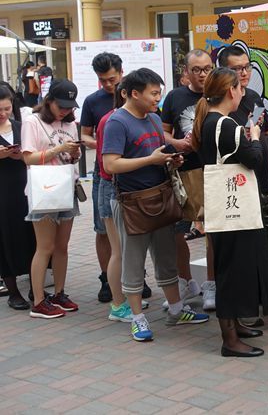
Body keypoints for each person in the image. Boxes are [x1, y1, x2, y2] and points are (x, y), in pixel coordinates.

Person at [103, 68, 209, 342]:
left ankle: (176, 309)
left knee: (165, 257)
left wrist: (169, 160)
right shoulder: (118, 122)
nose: (157, 98)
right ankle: (137, 318)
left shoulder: (152, 118)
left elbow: (158, 152)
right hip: (131, 202)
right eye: (153, 93)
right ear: (134, 93)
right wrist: (150, 160)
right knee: (134, 261)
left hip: (160, 197)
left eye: (158, 92)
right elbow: (110, 164)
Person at [194, 67, 268, 357]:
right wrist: (253, 135)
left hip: (229, 207)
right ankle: (230, 340)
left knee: (233, 268)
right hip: (233, 212)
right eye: (240, 88)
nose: (243, 92)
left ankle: (237, 326)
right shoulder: (224, 125)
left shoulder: (213, 121)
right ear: (231, 91)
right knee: (232, 272)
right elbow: (253, 158)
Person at [78, 52, 141, 303]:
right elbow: (84, 135)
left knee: (134, 228)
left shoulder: (134, 95)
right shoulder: (93, 102)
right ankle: (107, 278)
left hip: (131, 174)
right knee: (103, 229)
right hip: (104, 173)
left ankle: (136, 277)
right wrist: (105, 145)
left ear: (121, 73)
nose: (107, 84)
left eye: (111, 79)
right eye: (102, 80)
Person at [21, 79, 82, 319]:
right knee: (44, 246)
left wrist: (74, 153)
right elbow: (28, 158)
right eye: (61, 106)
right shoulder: (32, 122)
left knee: (62, 246)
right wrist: (58, 150)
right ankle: (38, 300)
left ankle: (59, 293)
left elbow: (71, 159)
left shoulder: (70, 124)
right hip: (43, 189)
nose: (66, 111)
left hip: (67, 186)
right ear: (49, 101)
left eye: (70, 106)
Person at [161, 50, 213, 308]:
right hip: (182, 173)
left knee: (213, 231)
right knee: (176, 231)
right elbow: (163, 133)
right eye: (197, 69)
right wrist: (178, 144)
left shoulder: (218, 93)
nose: (202, 74)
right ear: (187, 72)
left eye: (207, 69)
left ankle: (211, 285)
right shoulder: (174, 96)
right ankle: (186, 281)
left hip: (213, 171)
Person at [95, 80, 143, 323]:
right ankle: (117, 304)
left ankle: (124, 297)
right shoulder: (112, 120)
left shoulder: (120, 118)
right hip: (111, 187)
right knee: (119, 251)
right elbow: (109, 163)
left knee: (124, 250)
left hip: (118, 187)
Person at [0, 84, 37, 310]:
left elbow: (32, 154)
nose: (3, 114)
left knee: (31, 235)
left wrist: (19, 156)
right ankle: (13, 291)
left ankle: (36, 286)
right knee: (5, 238)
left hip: (24, 188)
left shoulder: (19, 126)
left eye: (6, 108)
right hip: (2, 192)